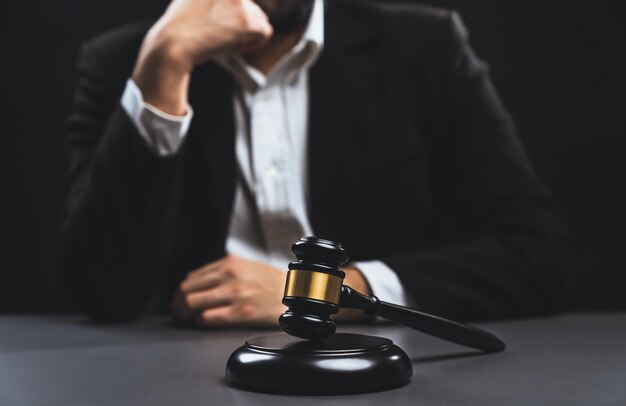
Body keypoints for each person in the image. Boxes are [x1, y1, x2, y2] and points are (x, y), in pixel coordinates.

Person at [60, 0, 567, 326]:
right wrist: (164, 68)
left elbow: (536, 255)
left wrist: (332, 293)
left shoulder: (425, 48)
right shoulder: (126, 63)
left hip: (391, 372)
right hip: (181, 378)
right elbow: (102, 293)